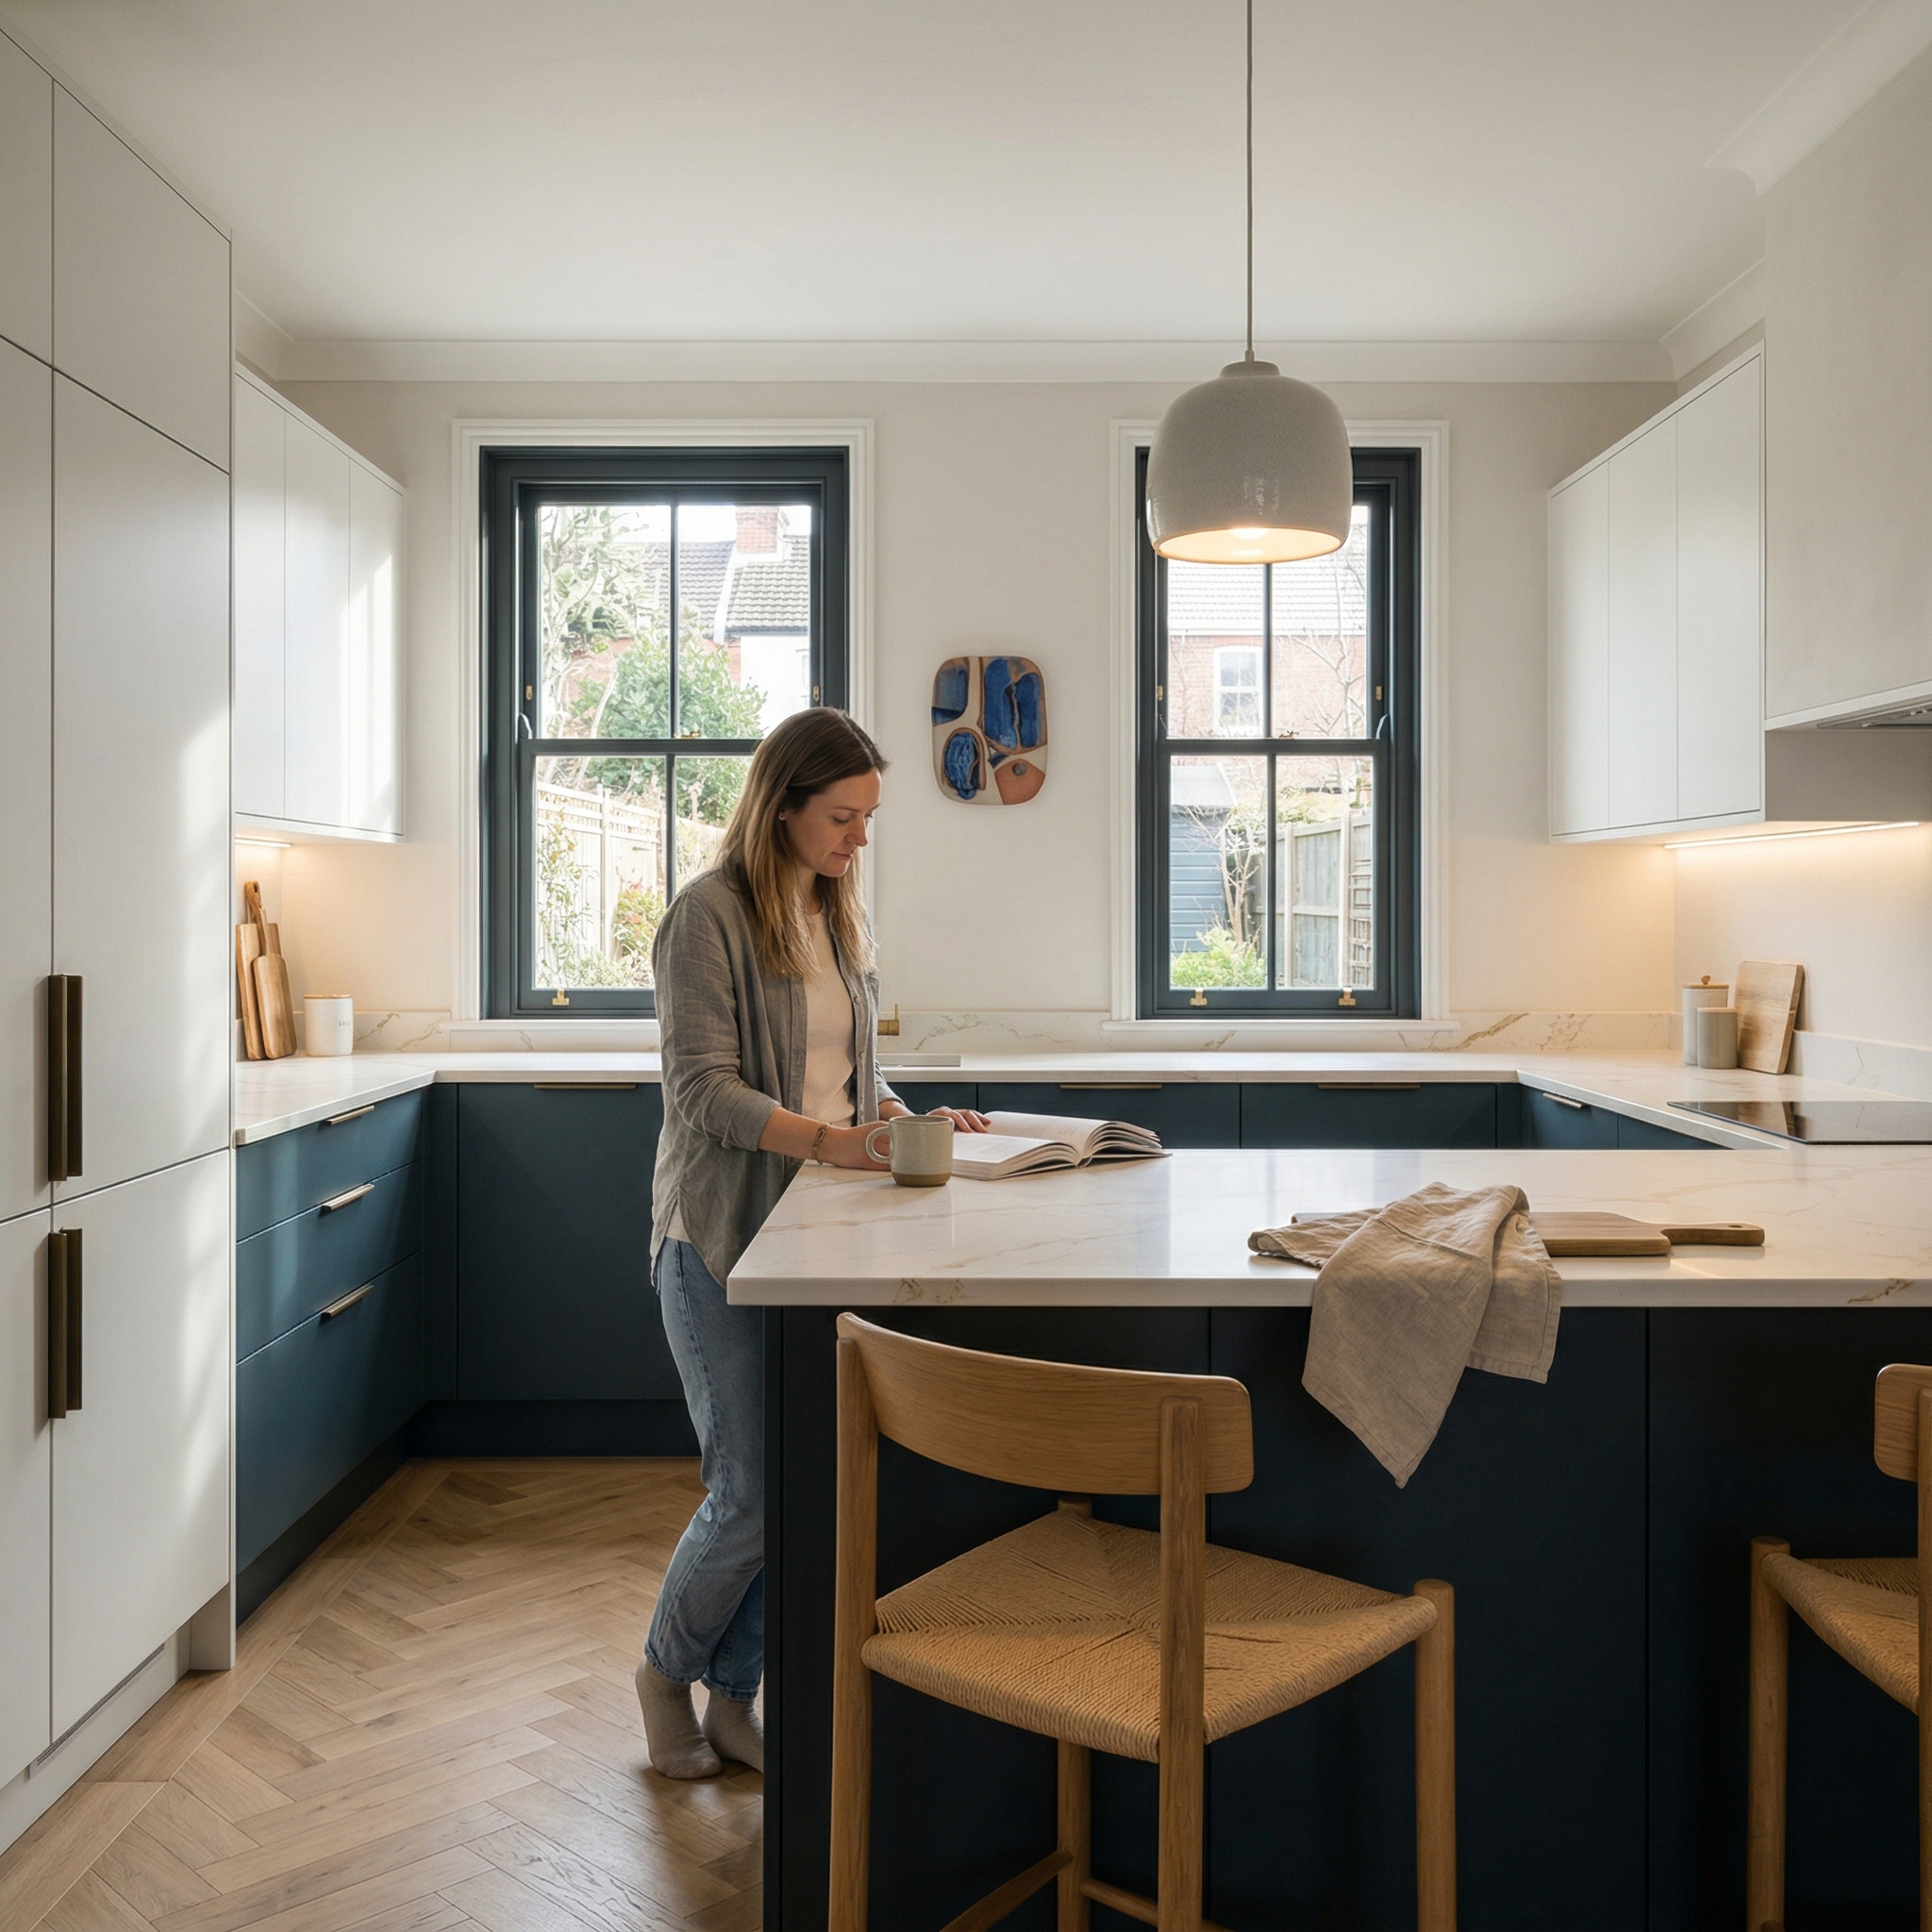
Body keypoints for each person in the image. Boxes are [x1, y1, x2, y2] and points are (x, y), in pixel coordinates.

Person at [636, 707, 988, 1778]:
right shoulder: (705, 917)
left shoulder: (831, 909)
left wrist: (908, 1117)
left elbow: (842, 1071)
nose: (859, 837)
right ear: (781, 806)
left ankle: (734, 1695)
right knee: (749, 1490)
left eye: (867, 817)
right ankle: (663, 1675)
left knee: (801, 1482)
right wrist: (839, 1143)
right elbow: (704, 1090)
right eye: (842, 816)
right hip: (721, 1237)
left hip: (819, 1233)